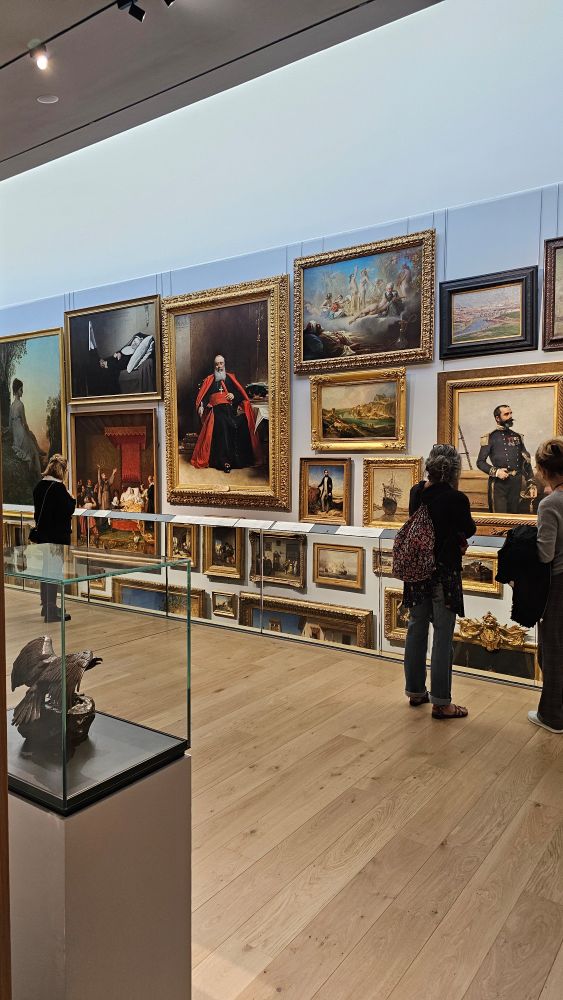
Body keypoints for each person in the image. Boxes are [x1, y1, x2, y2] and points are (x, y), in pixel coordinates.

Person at [403, 444, 476, 718]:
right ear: (454, 470)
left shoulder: (416, 492)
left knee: (416, 627)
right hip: (444, 572)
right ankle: (442, 702)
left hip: (417, 571)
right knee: (443, 635)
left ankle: (415, 692)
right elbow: (468, 529)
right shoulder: (457, 499)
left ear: (430, 467)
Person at [529, 437, 563, 734]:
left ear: (544, 469)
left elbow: (545, 554)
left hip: (559, 585)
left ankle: (552, 715)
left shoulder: (549, 503)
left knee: (552, 649)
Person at [191, 355, 261, 473]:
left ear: (224, 364)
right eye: (217, 364)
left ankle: (242, 459)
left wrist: (233, 396)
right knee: (223, 423)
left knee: (243, 421)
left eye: (221, 363)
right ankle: (224, 461)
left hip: (230, 411)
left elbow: (241, 395)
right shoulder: (209, 380)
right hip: (216, 411)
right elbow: (203, 397)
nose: (219, 366)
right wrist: (202, 406)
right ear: (214, 366)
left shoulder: (231, 378)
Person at [32, 454, 76, 622]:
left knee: (46, 571)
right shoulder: (58, 489)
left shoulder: (39, 486)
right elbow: (68, 509)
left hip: (44, 537)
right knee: (55, 573)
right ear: (62, 470)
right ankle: (51, 611)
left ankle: (46, 606)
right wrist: (72, 499)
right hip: (57, 539)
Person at [476, 404, 534, 513]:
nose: (510, 416)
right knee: (499, 518)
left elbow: (526, 461)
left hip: (516, 484)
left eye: (511, 413)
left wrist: (531, 482)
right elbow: (480, 462)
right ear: (497, 418)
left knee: (513, 518)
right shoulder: (490, 437)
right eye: (506, 414)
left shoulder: (517, 436)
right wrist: (496, 472)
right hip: (498, 485)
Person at [8, 378, 42, 482]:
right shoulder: (20, 405)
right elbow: (25, 423)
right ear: (18, 390)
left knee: (32, 441)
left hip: (16, 437)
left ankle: (39, 451)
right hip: (21, 434)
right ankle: (38, 479)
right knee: (34, 452)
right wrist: (28, 433)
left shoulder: (12, 405)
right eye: (21, 390)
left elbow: (10, 426)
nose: (22, 392)